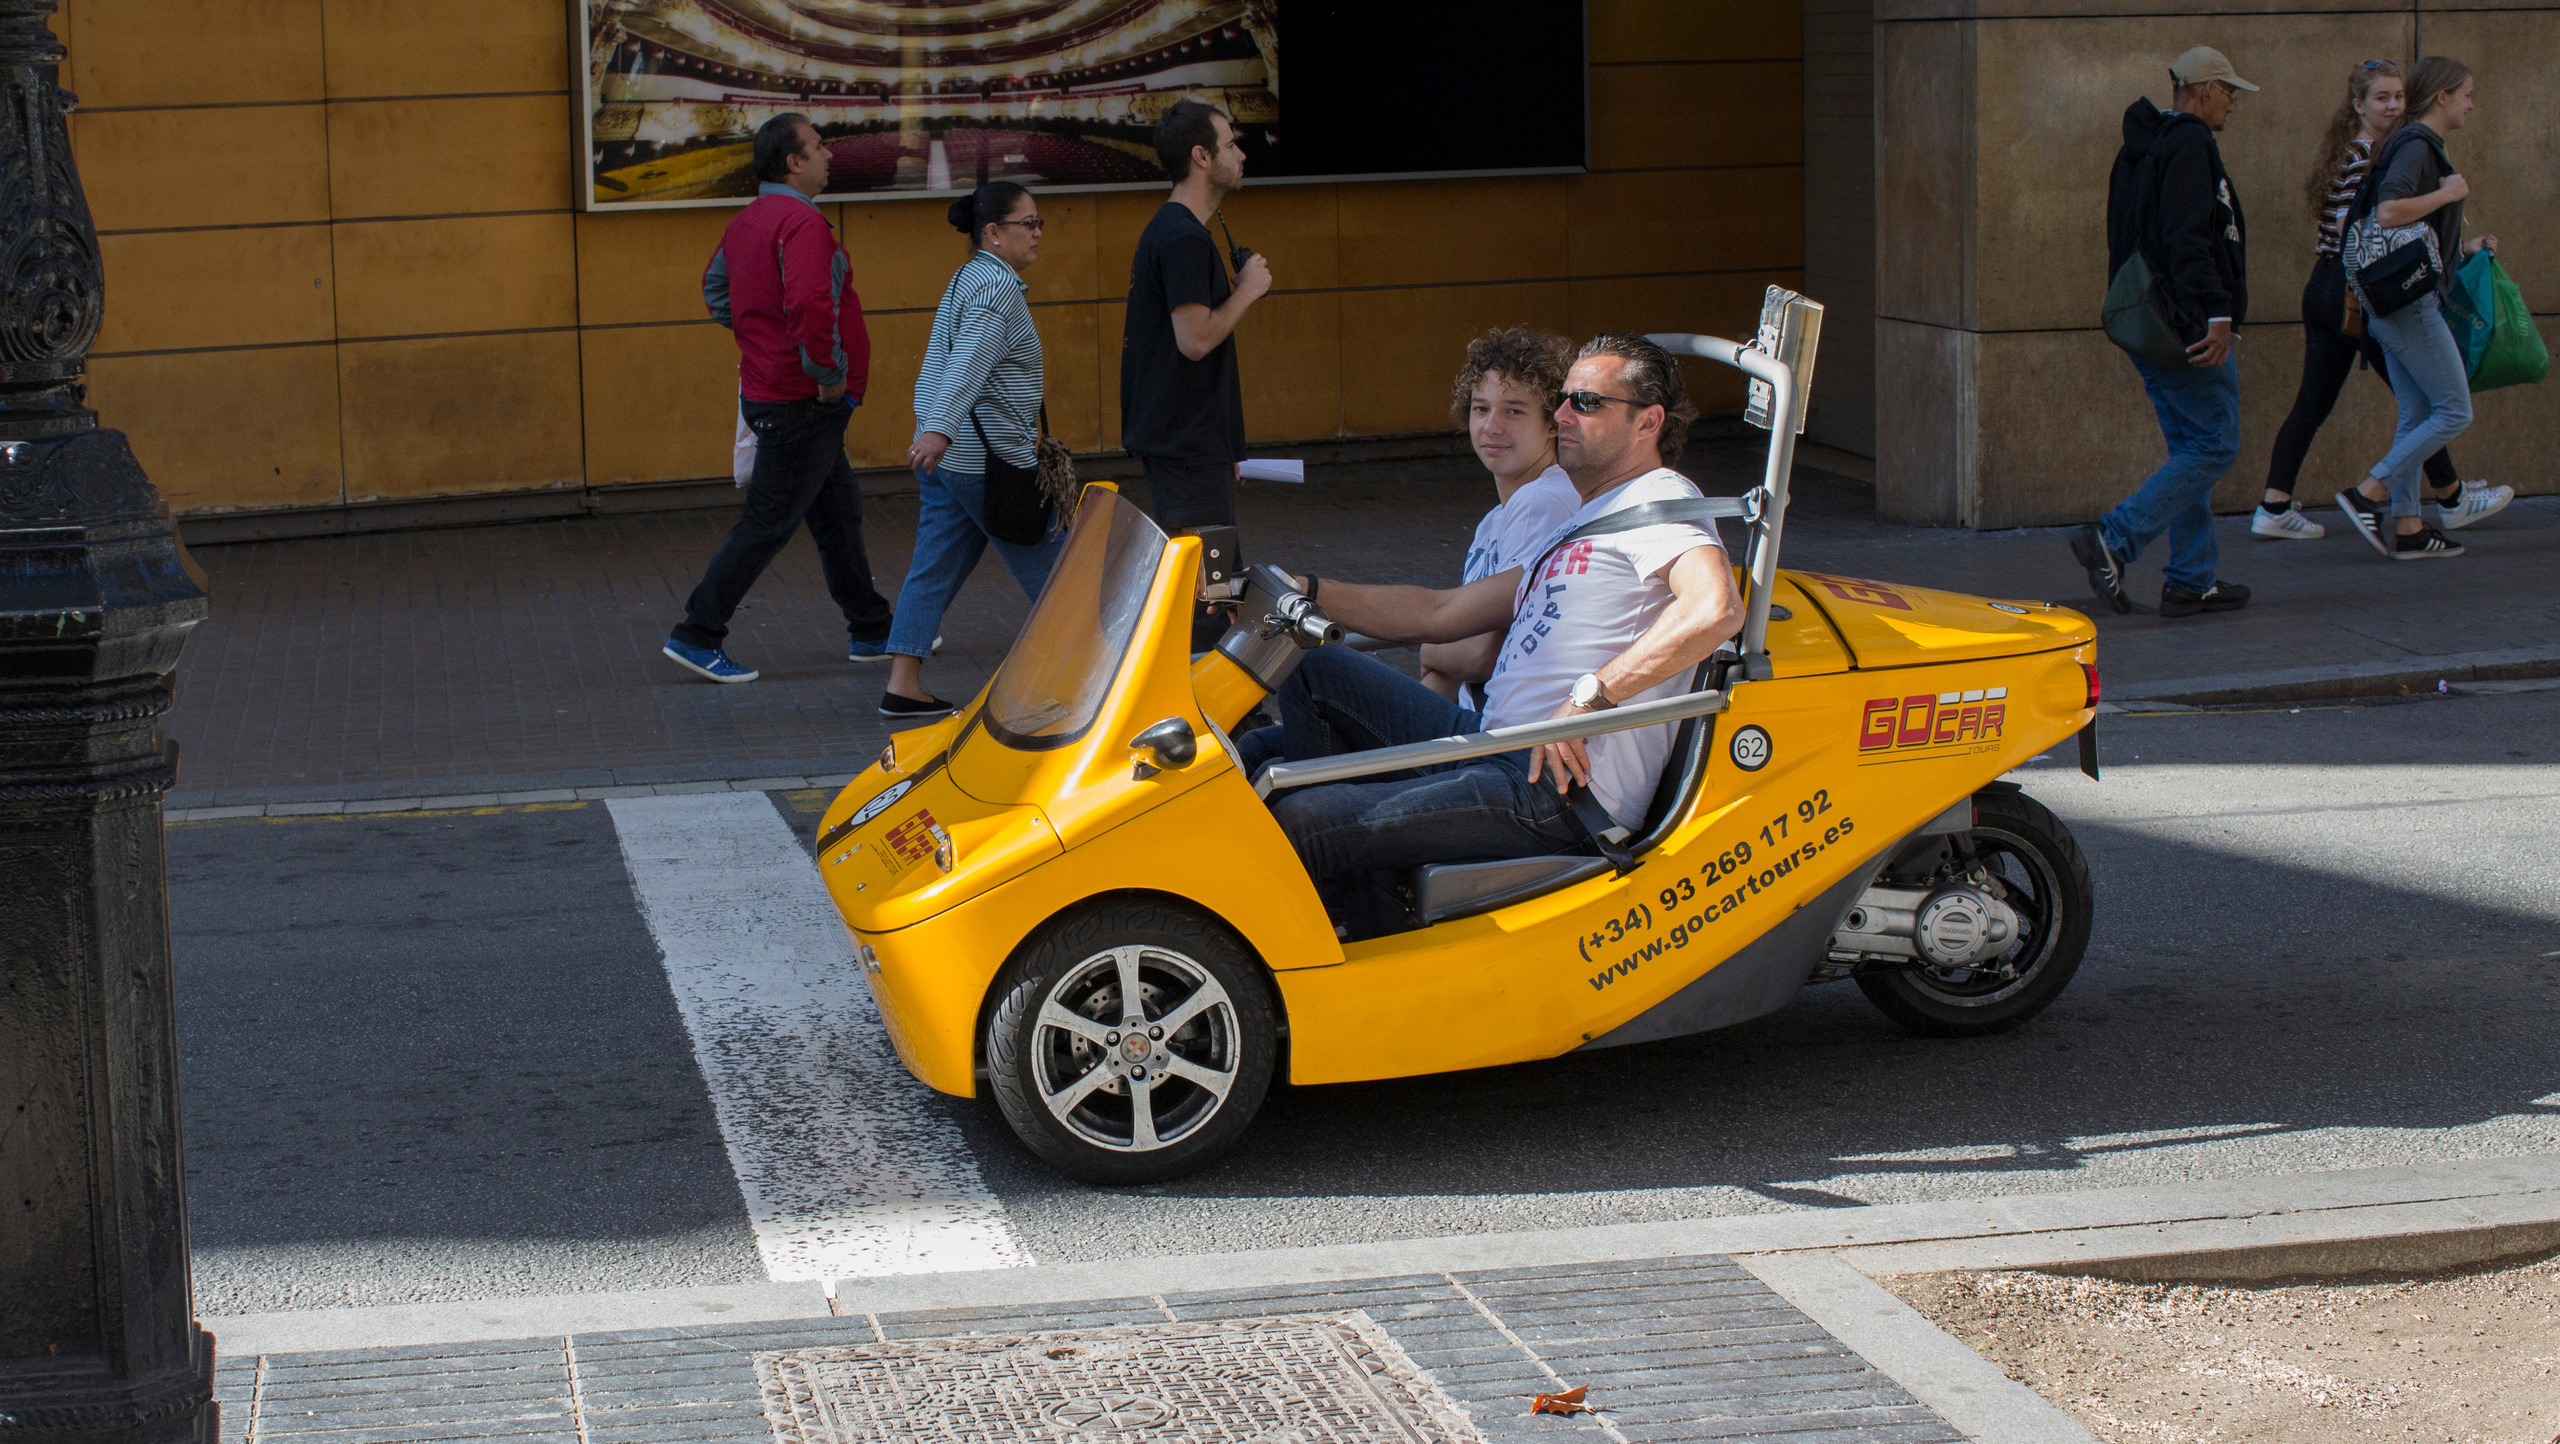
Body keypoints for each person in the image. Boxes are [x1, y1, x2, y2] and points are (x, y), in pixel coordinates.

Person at [1235, 335, 1743, 937]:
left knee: (1301, 819)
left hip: (1555, 790)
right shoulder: (1583, 521)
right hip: (1490, 743)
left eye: (1585, 402)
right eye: (1561, 400)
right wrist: (1302, 588)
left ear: (1648, 422)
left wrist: (1589, 696)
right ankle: (1356, 900)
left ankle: (1361, 951)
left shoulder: (1661, 496)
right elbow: (1441, 611)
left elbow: (1715, 608)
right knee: (1316, 669)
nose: (1561, 416)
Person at [664, 113, 891, 683]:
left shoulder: (749, 221)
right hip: (804, 398)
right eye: (818, 147)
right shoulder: (803, 223)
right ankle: (697, 632)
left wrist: (758, 337)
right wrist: (828, 373)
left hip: (782, 392)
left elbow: (716, 293)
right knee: (768, 522)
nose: (829, 155)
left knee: (838, 514)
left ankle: (873, 630)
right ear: (793, 162)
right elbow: (813, 305)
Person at [2256, 61, 2511, 540]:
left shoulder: (2381, 149)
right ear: (2358, 105)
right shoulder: (2387, 152)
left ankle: (2292, 506)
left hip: (2341, 287)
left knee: (2377, 406)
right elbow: (2371, 224)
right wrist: (2446, 194)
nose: (2393, 105)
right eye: (2382, 98)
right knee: (2443, 407)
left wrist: (2458, 246)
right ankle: (2394, 494)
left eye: (2398, 96)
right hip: (2360, 290)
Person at [2074, 46, 2254, 620]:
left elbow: (2127, 240)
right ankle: (2115, 539)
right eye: (2228, 91)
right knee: (2213, 444)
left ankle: (2191, 578)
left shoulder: (2141, 147)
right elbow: (2189, 238)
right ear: (2201, 90)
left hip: (2151, 325)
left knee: (2190, 449)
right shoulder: (2191, 144)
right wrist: (2217, 313)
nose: (2232, 102)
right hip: (2190, 328)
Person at [881, 182, 1062, 719]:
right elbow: (969, 363)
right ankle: (1085, 683)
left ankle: (902, 684)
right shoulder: (996, 289)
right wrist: (939, 428)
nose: (1036, 233)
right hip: (988, 463)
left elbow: (950, 362)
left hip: (950, 463)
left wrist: (934, 433)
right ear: (993, 233)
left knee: (933, 566)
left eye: (1038, 222)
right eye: (1027, 223)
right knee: (1057, 574)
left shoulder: (969, 278)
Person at [1121, 98, 1274, 650]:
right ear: (1201, 156)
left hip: (1191, 446)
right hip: (1186, 447)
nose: (1241, 152)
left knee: (1214, 586)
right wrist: (1247, 292)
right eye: (1231, 143)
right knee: (1212, 598)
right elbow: (1196, 339)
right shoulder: (1184, 237)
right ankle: (1210, 719)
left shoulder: (1176, 231)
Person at [2333, 56, 2498, 560]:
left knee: (2418, 411)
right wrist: (2447, 192)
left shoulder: (2413, 144)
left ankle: (2408, 526)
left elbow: (2415, 232)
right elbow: (2389, 212)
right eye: (2466, 94)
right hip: (2407, 302)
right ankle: (2369, 491)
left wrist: (2464, 247)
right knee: (2454, 409)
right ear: (2443, 96)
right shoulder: (2418, 146)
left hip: (2392, 299)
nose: (2472, 103)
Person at [1417, 328, 1580, 706]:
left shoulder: (1542, 500)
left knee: (1317, 670)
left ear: (1553, 423)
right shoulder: (1495, 519)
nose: (1492, 426)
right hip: (1466, 721)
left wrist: (1430, 648)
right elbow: (1462, 657)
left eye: (1513, 411)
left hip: (1496, 735)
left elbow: (1483, 653)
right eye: (1481, 408)